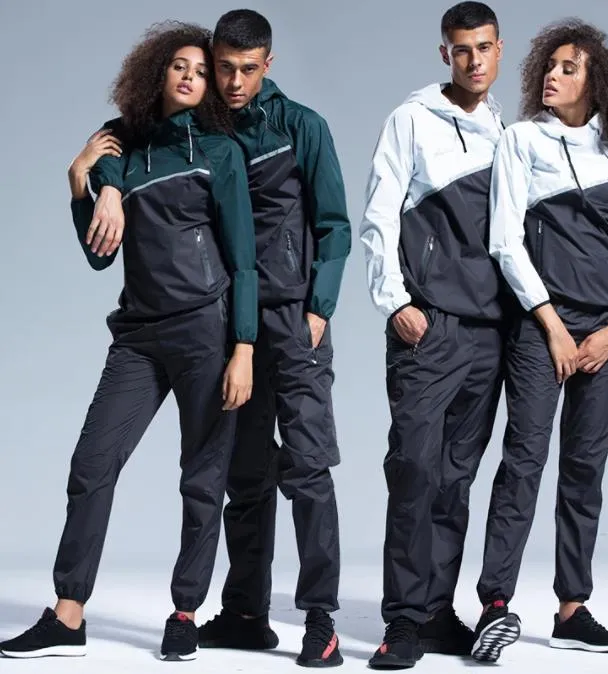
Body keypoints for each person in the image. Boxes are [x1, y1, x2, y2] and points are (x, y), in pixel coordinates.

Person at [84, 9, 351, 668]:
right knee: (244, 473)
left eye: (246, 70)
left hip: (293, 319)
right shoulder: (205, 124)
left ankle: (321, 618)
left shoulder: (301, 126)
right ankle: (245, 614)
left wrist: (318, 310)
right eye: (223, 68)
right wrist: (104, 188)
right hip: (234, 324)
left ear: (268, 63)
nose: (233, 82)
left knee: (308, 468)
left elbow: (334, 224)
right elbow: (124, 138)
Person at [0, 22, 258, 662]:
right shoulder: (125, 150)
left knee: (202, 479)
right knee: (91, 466)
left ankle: (185, 612)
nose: (191, 76)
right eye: (179, 65)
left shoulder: (219, 153)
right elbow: (99, 256)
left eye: (202, 70)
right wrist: (84, 184)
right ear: (156, 73)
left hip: (205, 331)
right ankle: (68, 616)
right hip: (138, 335)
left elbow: (244, 260)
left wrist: (244, 347)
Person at [472, 19, 608, 662]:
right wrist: (551, 326)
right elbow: (504, 241)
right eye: (548, 66)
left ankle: (573, 609)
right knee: (523, 462)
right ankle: (495, 604)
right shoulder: (522, 140)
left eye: (567, 68)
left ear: (595, 81)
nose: (552, 75)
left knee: (584, 470)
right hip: (540, 329)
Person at [359, 3, 507, 669]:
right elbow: (379, 213)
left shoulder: (505, 129)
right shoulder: (411, 119)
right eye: (461, 49)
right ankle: (401, 620)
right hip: (430, 326)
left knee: (455, 478)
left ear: (498, 49)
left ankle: (436, 613)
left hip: (488, 330)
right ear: (444, 53)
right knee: (413, 470)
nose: (473, 60)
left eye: (483, 47)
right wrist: (394, 301)